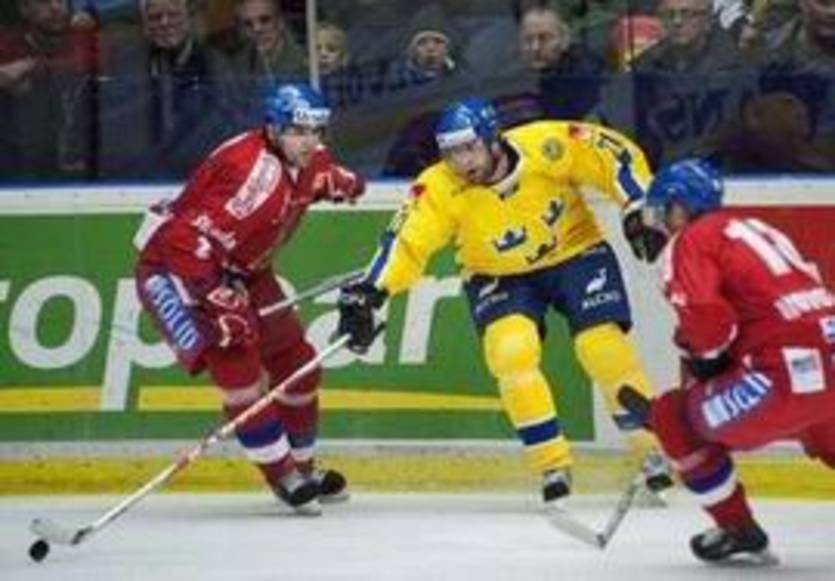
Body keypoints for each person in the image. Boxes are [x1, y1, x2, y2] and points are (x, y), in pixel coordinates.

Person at [337, 98, 673, 506]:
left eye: (469, 148)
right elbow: (407, 240)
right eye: (450, 153)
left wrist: (638, 206)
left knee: (602, 348)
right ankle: (552, 464)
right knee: (511, 352)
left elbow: (611, 154)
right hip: (496, 274)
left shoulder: (545, 145)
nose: (461, 162)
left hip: (575, 252)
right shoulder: (438, 186)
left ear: (492, 138)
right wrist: (373, 289)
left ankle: (652, 451)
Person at [133, 83, 365, 514]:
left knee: (298, 366)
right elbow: (183, 241)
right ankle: (284, 478)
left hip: (242, 270)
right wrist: (218, 301)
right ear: (274, 129)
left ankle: (304, 469)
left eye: (317, 131)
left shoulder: (306, 158)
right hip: (176, 270)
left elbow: (319, 173)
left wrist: (337, 180)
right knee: (241, 376)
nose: (310, 141)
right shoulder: (252, 179)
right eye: (298, 131)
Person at [617, 158, 835, 564]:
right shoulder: (755, 227)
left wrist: (700, 366)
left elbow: (707, 320)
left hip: (783, 376)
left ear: (679, 208)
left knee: (673, 419)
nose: (659, 223)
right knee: (823, 422)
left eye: (661, 211)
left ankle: (737, 528)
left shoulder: (689, 240)